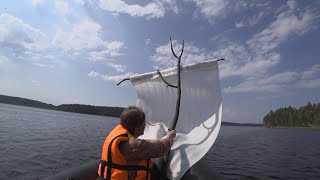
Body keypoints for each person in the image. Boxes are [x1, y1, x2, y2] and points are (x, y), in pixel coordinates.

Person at [97, 106, 176, 180]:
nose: (145, 125)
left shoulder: (118, 135)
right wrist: (171, 136)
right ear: (138, 128)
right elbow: (161, 149)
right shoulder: (132, 145)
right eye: (144, 124)